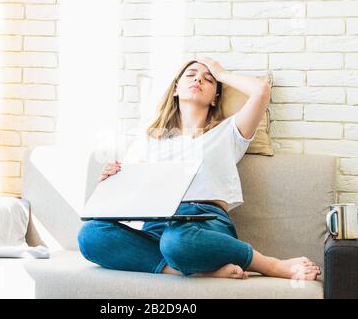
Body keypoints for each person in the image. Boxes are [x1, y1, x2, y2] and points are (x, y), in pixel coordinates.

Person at [77, 57, 321, 280]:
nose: (198, 79)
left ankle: (270, 265)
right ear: (175, 88)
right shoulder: (148, 140)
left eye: (208, 79)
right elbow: (127, 202)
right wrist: (109, 182)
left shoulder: (227, 133)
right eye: (191, 74)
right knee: (90, 235)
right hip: (156, 225)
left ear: (215, 96)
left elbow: (261, 91)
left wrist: (221, 73)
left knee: (177, 242)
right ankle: (184, 269)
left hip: (202, 223)